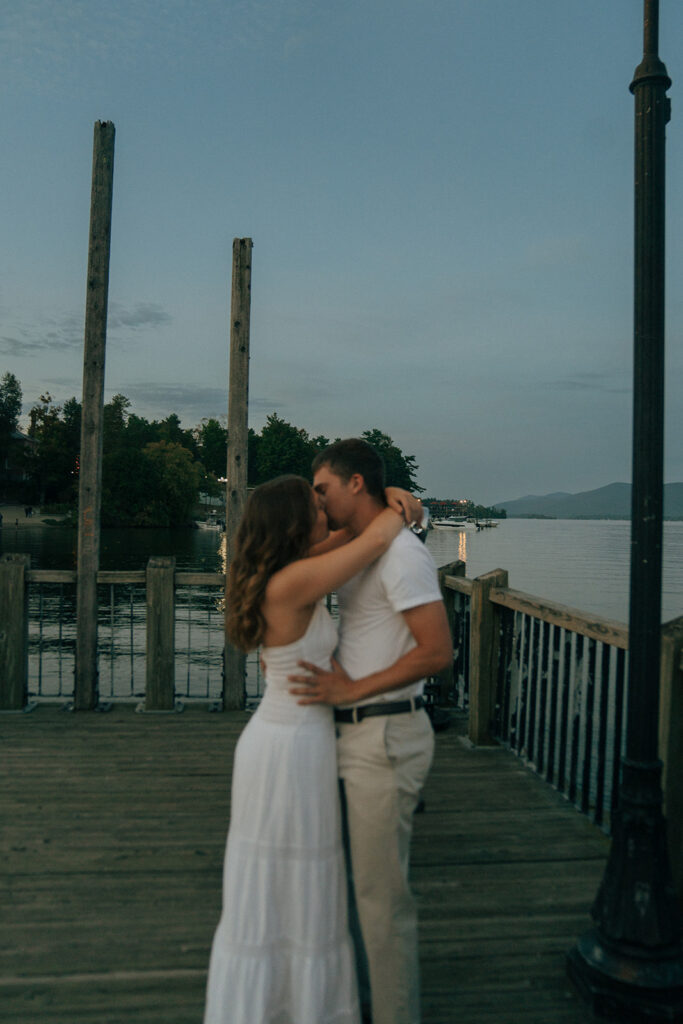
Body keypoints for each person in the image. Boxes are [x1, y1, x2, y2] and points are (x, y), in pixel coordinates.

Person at [204, 473, 420, 1024]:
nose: (324, 509)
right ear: (296, 522)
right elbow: (370, 543)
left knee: (293, 876)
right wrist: (402, 509)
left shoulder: (287, 571)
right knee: (287, 876)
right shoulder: (292, 582)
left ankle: (294, 1002)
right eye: (315, 504)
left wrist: (391, 498)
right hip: (288, 748)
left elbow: (351, 540)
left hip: (294, 739)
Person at [289, 439, 452, 1024]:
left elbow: (437, 651)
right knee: (355, 893)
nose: (318, 499)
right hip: (352, 737)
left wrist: (351, 690)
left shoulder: (402, 556)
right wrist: (412, 508)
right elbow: (299, 541)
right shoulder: (359, 542)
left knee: (383, 906)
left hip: (383, 736)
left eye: (323, 488)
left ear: (356, 483)